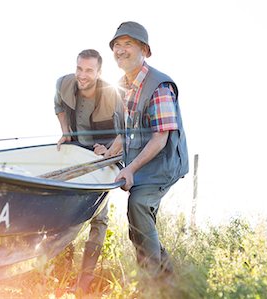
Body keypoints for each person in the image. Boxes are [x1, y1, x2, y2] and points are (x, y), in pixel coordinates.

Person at [104, 21, 189, 280]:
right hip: (144, 165)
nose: (120, 50)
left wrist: (129, 169)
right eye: (116, 45)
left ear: (145, 50)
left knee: (139, 205)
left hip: (163, 164)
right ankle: (169, 283)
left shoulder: (159, 86)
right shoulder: (122, 85)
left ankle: (153, 285)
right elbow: (125, 131)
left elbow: (159, 138)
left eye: (128, 44)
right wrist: (108, 153)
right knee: (138, 222)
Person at [53, 49, 123, 293]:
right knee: (63, 209)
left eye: (89, 70)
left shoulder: (113, 95)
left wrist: (110, 148)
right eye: (80, 69)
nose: (83, 75)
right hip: (75, 154)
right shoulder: (64, 84)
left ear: (99, 72)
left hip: (103, 160)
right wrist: (66, 132)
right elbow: (58, 105)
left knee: (99, 218)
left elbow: (127, 131)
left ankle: (85, 281)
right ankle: (60, 272)